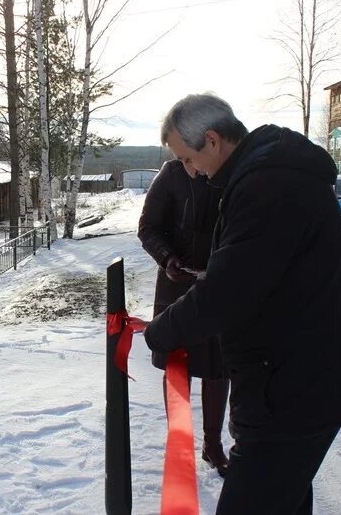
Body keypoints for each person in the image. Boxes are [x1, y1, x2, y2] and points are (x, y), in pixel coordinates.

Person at [143, 94, 341, 515]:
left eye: (187, 158)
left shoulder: (269, 184)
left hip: (291, 395)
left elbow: (230, 288)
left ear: (212, 140)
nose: (189, 170)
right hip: (291, 387)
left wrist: (161, 331)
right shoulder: (263, 174)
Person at [137, 158, 230, 477]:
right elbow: (148, 228)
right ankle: (179, 447)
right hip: (175, 288)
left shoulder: (230, 173)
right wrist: (166, 257)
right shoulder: (172, 174)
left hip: (218, 286)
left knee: (218, 367)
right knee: (178, 367)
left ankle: (213, 445)